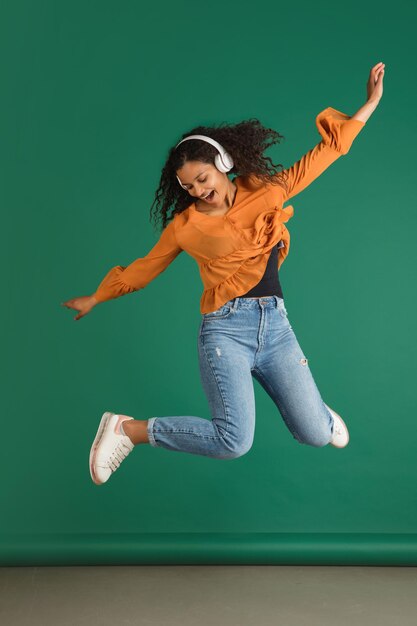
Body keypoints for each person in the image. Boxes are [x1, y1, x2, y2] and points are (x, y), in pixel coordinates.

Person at [62, 63, 385, 486]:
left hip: (276, 328)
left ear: (223, 163)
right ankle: (127, 429)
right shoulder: (185, 227)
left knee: (314, 434)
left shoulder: (267, 190)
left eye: (202, 178)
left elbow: (323, 155)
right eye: (188, 186)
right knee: (234, 441)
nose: (197, 190)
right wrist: (97, 297)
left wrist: (369, 104)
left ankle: (319, 417)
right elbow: (145, 268)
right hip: (225, 331)